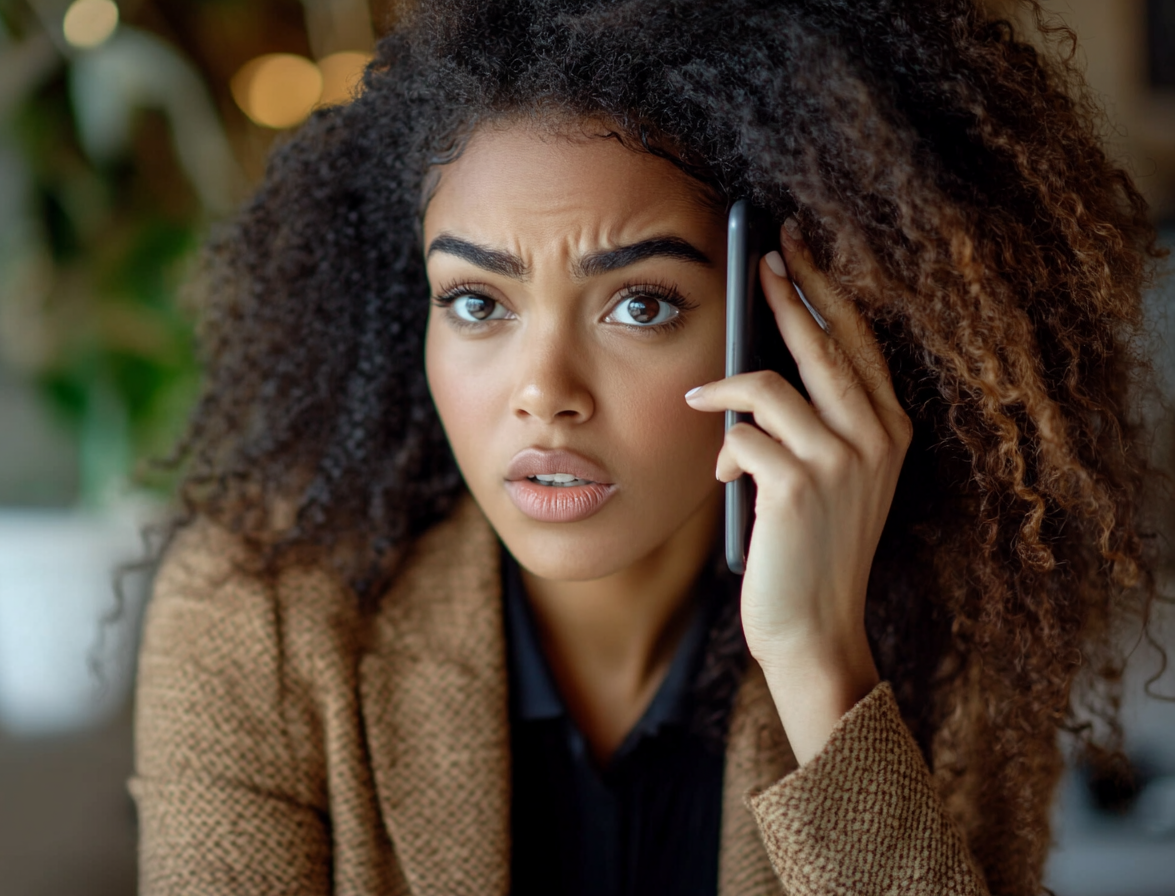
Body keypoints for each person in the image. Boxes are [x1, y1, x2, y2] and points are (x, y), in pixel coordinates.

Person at [129, 1, 1166, 894]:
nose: (544, 393)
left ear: (788, 319)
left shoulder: (935, 622)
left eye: (639, 303)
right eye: (478, 301)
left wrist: (822, 665)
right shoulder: (258, 611)